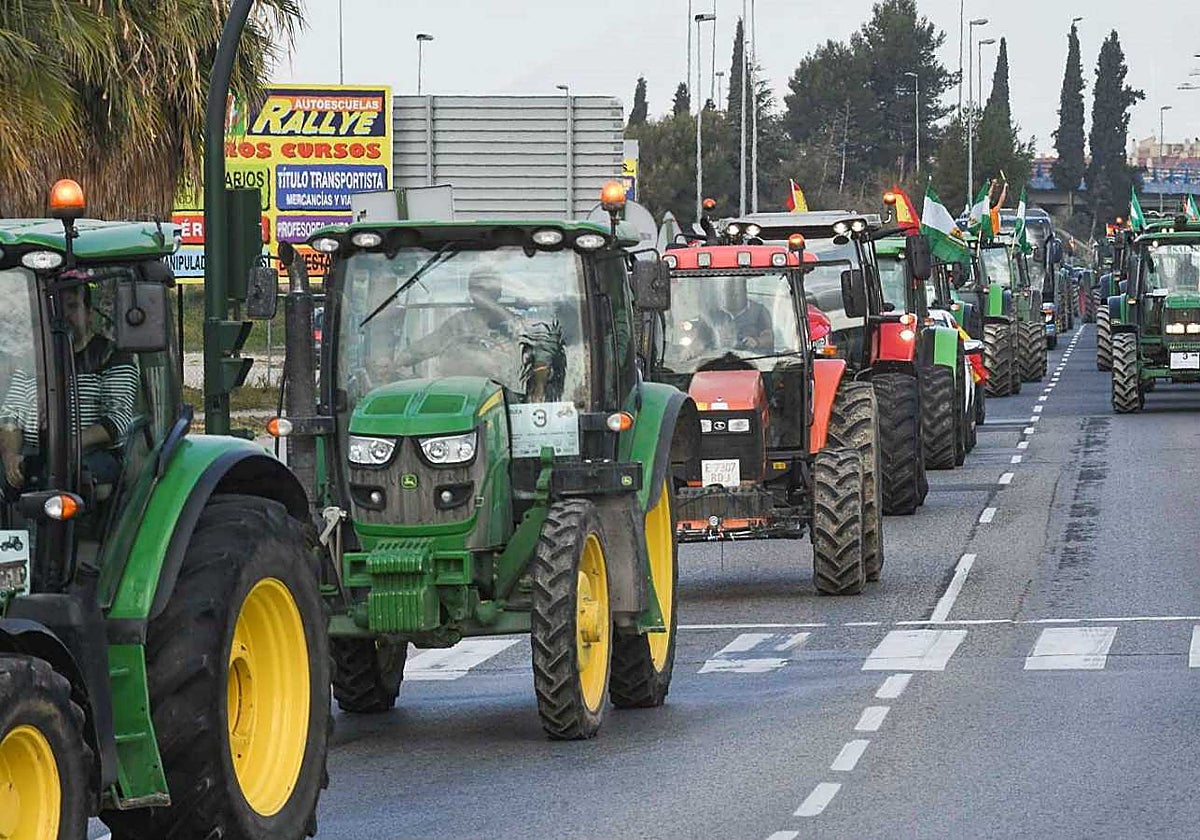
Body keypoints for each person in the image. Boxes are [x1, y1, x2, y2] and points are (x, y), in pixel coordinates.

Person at [0, 280, 138, 491]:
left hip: (92, 455)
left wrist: (67, 446)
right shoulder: (34, 361)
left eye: (72, 307)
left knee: (79, 476)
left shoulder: (111, 356)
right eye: (57, 309)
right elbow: (11, 416)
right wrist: (11, 457)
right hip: (37, 456)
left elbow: (116, 420)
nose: (64, 316)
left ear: (89, 313)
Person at [708, 277, 774, 352]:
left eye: (737, 293)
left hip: (752, 359)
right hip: (718, 359)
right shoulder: (715, 313)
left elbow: (769, 337)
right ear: (724, 293)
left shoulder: (760, 311)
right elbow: (698, 338)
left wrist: (757, 341)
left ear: (745, 292)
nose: (734, 297)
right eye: (730, 293)